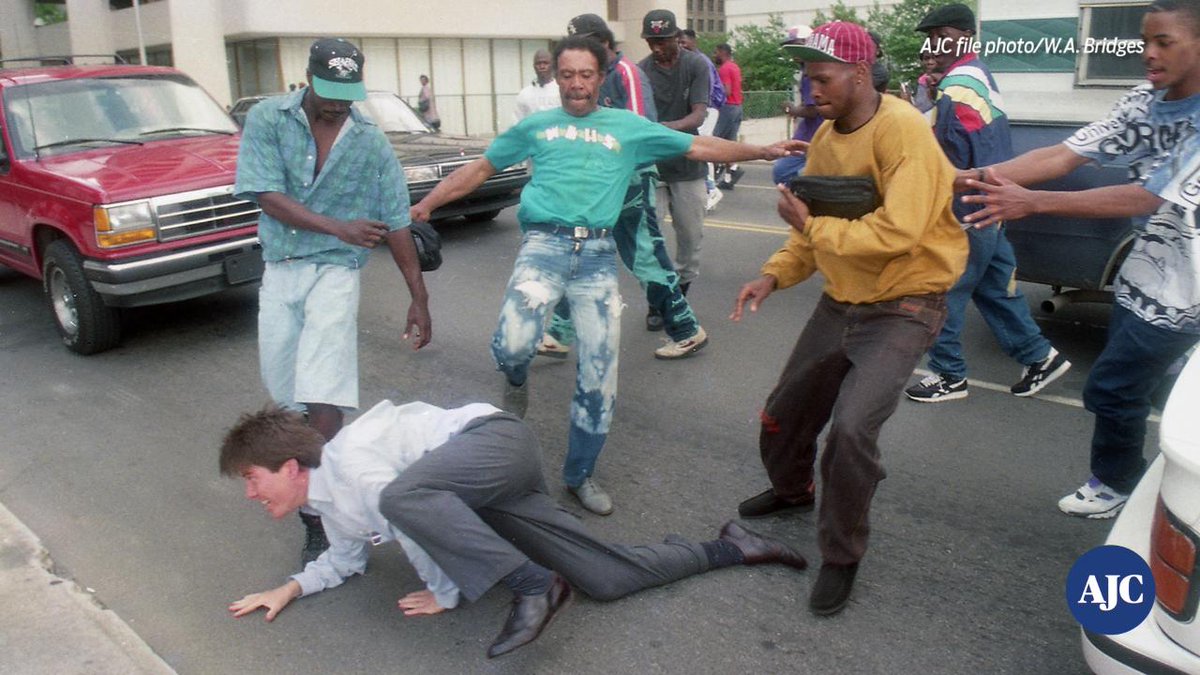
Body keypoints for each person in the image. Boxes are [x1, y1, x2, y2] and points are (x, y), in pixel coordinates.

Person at [408, 36, 804, 516]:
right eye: (567, 75)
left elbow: (699, 145)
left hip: (596, 255)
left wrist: (762, 150)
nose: (576, 84)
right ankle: (515, 379)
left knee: (599, 375)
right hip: (543, 247)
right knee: (513, 345)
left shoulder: (628, 127)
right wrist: (427, 204)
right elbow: (478, 170)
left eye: (585, 75)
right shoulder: (535, 127)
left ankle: (579, 475)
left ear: (600, 78)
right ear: (556, 78)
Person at [221, 401, 808, 658]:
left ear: (290, 467)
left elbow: (407, 514)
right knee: (606, 578)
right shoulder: (330, 507)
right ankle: (731, 546)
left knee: (402, 498)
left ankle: (534, 586)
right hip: (478, 494)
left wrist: (446, 591)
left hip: (493, 443)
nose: (250, 494)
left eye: (251, 478)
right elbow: (346, 559)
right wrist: (290, 587)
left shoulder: (351, 461)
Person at [729, 21, 968, 616]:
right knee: (785, 414)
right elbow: (812, 237)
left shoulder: (904, 131)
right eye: (807, 79)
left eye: (822, 78)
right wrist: (774, 274)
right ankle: (793, 491)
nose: (811, 90)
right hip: (842, 299)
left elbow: (897, 232)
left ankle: (841, 554)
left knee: (852, 431)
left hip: (906, 303)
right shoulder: (825, 139)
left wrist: (812, 227)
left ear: (860, 74)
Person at [956, 0, 1200, 518]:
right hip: (1147, 281)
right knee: (1144, 389)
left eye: (1164, 42)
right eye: (1144, 41)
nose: (1148, 53)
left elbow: (1147, 197)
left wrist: (1034, 202)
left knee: (1114, 388)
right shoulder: (1144, 101)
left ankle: (1117, 485)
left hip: (1187, 292)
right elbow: (1064, 154)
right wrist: (973, 177)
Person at [234, 37, 432, 565]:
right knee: (286, 398)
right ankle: (310, 490)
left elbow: (396, 219)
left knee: (324, 393)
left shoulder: (368, 139)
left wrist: (419, 297)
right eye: (328, 92)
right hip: (282, 268)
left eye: (348, 93)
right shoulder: (268, 119)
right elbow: (265, 194)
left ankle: (319, 515)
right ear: (308, 77)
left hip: (336, 271)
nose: (338, 104)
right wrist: (338, 226)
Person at [904, 3, 1072, 404]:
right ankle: (1039, 358)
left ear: (965, 35)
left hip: (964, 208)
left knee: (939, 290)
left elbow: (946, 151)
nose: (934, 45)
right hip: (991, 203)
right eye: (931, 39)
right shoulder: (979, 74)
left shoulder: (957, 84)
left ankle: (948, 375)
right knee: (995, 289)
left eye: (942, 36)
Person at [539, 13, 710, 360]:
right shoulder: (593, 77)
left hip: (630, 180)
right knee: (582, 254)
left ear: (604, 42)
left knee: (645, 256)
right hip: (599, 183)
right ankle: (559, 333)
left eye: (586, 44)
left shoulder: (626, 73)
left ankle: (686, 330)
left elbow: (637, 130)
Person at [640, 10, 712, 300]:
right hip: (652, 166)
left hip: (687, 163)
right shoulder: (641, 71)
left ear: (677, 38)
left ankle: (680, 292)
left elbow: (698, 114)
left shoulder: (695, 64)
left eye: (663, 41)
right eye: (651, 42)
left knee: (691, 237)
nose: (657, 48)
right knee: (648, 238)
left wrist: (665, 129)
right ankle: (658, 298)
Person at [679, 28, 728, 209]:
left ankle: (711, 189)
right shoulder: (688, 60)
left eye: (684, 42)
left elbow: (706, 89)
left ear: (693, 42)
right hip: (701, 109)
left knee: (701, 147)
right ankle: (709, 188)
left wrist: (702, 108)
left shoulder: (701, 62)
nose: (681, 45)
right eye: (679, 42)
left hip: (707, 108)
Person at [775, 25, 821, 185]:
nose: (793, 51)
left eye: (796, 45)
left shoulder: (812, 73)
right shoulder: (807, 70)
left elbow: (813, 110)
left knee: (782, 172)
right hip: (809, 133)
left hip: (814, 135)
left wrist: (792, 109)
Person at [712, 43, 745, 190]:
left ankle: (715, 172)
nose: (714, 55)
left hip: (728, 107)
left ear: (722, 52)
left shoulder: (724, 69)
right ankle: (731, 174)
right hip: (737, 107)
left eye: (716, 52)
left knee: (714, 140)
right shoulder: (735, 67)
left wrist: (712, 95)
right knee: (729, 143)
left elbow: (727, 91)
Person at [513, 49, 560, 122]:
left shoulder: (561, 91)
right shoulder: (524, 94)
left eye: (545, 63)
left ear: (552, 65)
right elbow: (517, 121)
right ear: (534, 66)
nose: (542, 66)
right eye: (538, 63)